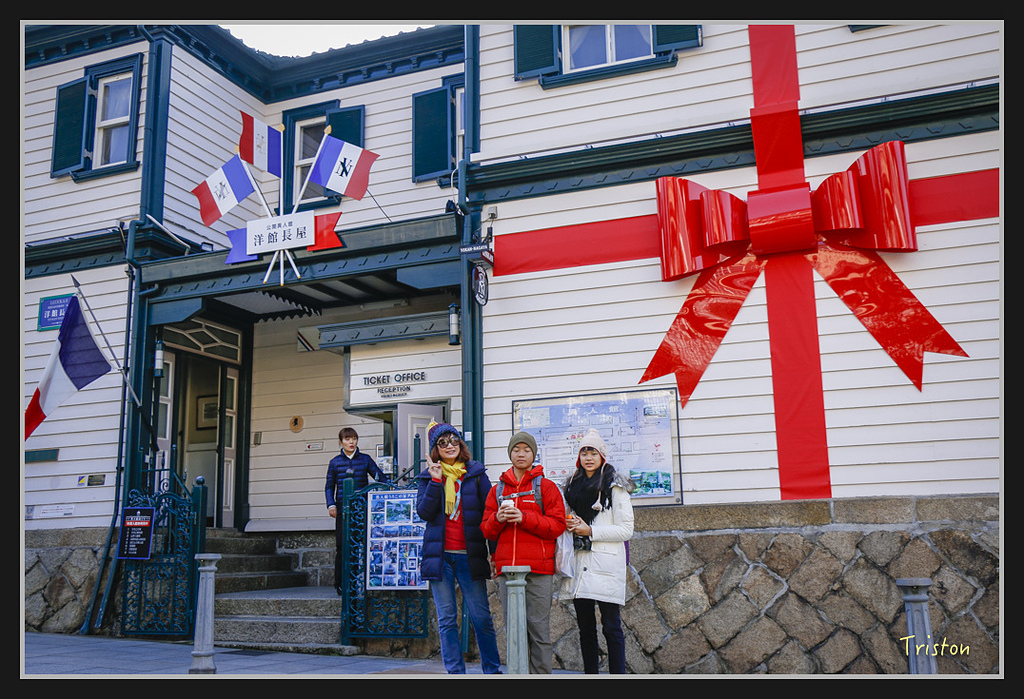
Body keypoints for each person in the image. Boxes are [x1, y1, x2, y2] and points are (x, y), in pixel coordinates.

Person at [415, 421, 502, 674]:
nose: (449, 446)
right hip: (440, 557)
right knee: (447, 620)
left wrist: (494, 553)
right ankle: (455, 673)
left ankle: (493, 671)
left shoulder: (475, 474)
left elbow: (490, 515)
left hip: (469, 556)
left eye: (454, 440)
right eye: (442, 443)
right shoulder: (428, 477)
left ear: (460, 444)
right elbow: (425, 512)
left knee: (481, 618)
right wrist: (435, 481)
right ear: (435, 449)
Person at [481, 431, 567, 674]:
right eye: (516, 449)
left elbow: (557, 525)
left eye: (526, 450)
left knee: (539, 630)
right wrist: (498, 518)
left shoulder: (546, 487)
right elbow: (486, 529)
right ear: (510, 453)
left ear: (533, 454)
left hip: (539, 570)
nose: (521, 454)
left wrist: (525, 517)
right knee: (514, 629)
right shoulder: (497, 490)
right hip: (508, 571)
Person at [561, 429, 634, 674]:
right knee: (585, 628)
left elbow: (626, 530)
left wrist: (589, 531)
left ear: (602, 455)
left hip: (605, 565)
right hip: (580, 562)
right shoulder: (571, 486)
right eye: (584, 452)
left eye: (593, 452)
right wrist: (572, 525)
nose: (588, 457)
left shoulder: (614, 487)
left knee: (611, 627)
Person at [325, 427, 389, 594]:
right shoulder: (335, 462)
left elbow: (380, 478)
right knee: (342, 545)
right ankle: (340, 583)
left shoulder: (365, 460)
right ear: (341, 442)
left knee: (363, 544)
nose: (351, 442)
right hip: (342, 509)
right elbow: (329, 486)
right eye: (347, 439)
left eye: (354, 438)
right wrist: (331, 505)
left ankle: (362, 582)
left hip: (362, 507)